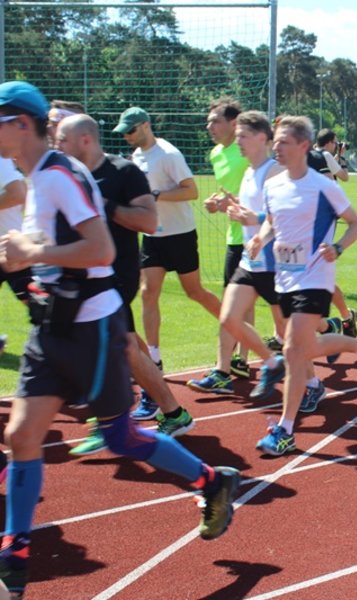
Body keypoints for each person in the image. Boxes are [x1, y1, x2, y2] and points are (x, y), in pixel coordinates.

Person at [0, 81, 239, 599]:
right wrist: (24, 255)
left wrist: (32, 252)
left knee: (121, 438)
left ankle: (212, 481)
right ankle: (15, 551)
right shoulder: (37, 177)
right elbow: (53, 245)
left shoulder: (59, 175)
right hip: (51, 326)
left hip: (92, 326)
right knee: (21, 436)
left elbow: (101, 250)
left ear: (21, 124)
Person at [55, 114, 196, 455]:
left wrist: (104, 205)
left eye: (62, 139)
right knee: (127, 345)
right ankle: (172, 412)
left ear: (85, 139)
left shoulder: (123, 171)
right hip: (84, 275)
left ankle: (109, 420)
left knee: (100, 344)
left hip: (116, 275)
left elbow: (147, 220)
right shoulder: (68, 177)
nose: (56, 145)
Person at [249, 115, 357, 456]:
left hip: (315, 277)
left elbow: (356, 223)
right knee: (303, 346)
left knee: (293, 351)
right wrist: (260, 238)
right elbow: (272, 223)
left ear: (303, 146)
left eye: (283, 142)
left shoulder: (324, 186)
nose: (276, 148)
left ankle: (285, 430)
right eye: (275, 142)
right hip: (285, 278)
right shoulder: (273, 186)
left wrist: (338, 247)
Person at [114, 106, 222, 420]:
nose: (127, 136)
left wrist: (156, 194)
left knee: (195, 292)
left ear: (146, 125)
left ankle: (233, 323)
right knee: (148, 293)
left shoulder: (169, 154)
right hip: (153, 235)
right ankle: (155, 358)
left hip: (180, 234)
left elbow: (191, 190)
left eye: (131, 130)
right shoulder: (136, 157)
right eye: (124, 132)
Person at [186, 110, 289, 398]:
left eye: (243, 136)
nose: (238, 141)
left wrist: (255, 222)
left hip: (274, 261)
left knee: (290, 331)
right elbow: (247, 209)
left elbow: (283, 215)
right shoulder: (248, 172)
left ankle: (312, 383)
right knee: (229, 316)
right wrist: (228, 206)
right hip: (248, 258)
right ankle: (228, 371)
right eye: (238, 135)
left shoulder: (275, 171)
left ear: (262, 138)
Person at [201, 98, 252, 378]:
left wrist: (229, 204)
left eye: (215, 121)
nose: (210, 127)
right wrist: (216, 203)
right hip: (234, 236)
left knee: (242, 299)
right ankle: (241, 358)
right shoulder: (215, 154)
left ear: (233, 123)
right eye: (208, 121)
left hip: (255, 235)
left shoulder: (247, 151)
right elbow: (228, 193)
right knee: (242, 298)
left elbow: (259, 191)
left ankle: (238, 359)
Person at [0, 156, 28, 350]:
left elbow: (18, 193)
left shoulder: (1, 160)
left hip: (10, 247)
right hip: (9, 244)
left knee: (38, 305)